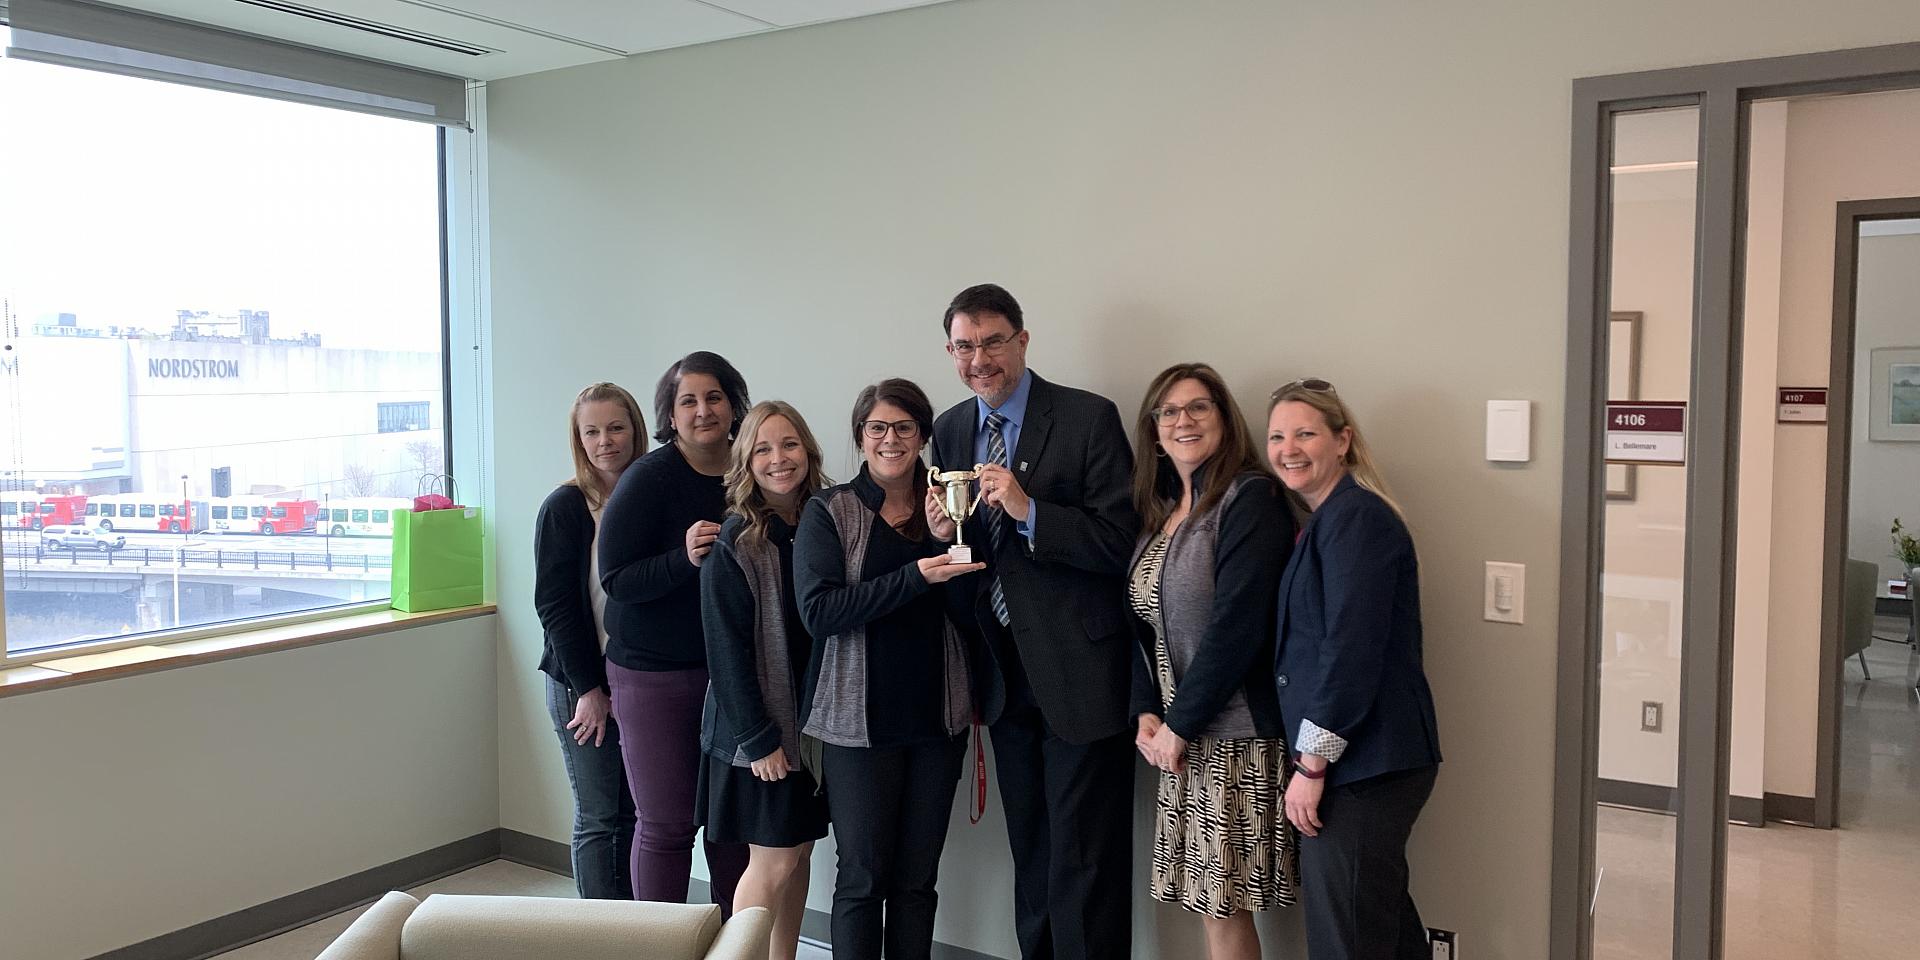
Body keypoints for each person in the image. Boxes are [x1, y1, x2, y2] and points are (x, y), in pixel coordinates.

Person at [928, 283, 1139, 960]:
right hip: (1004, 678)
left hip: (1080, 677)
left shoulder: (1086, 418)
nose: (979, 359)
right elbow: (968, 553)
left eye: (992, 342)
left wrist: (1030, 513)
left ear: (1022, 340)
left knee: (1087, 861)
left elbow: (1120, 542)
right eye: (964, 346)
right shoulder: (953, 426)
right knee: (1033, 851)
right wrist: (941, 537)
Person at [793, 378, 984, 960]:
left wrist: (943, 540)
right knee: (861, 879)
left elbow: (969, 614)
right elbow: (819, 612)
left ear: (923, 434)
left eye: (904, 427)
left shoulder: (953, 504)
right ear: (860, 438)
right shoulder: (830, 511)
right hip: (858, 729)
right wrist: (917, 574)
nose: (891, 439)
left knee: (916, 882)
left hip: (936, 721)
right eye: (877, 428)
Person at [1267, 378, 1443, 960]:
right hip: (1367, 760)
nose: (1288, 448)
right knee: (1382, 926)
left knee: (1347, 938)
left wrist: (1311, 765)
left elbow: (1350, 649)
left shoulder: (1356, 520)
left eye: (1305, 433)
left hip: (1364, 765)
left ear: (1342, 441)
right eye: (1277, 436)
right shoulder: (1328, 520)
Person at [1126, 364, 1297, 959]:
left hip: (1233, 738)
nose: (1183, 421)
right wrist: (1146, 709)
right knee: (1210, 907)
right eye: (1168, 412)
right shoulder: (1165, 512)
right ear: (1153, 432)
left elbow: (1238, 629)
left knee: (1224, 911)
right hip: (1181, 737)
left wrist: (1180, 724)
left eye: (1198, 407)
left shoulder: (1251, 499)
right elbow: (1146, 627)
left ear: (1224, 419)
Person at [598, 351, 752, 912]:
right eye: (688, 400)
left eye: (714, 397)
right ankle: (658, 945)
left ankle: (732, 947)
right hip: (655, 675)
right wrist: (681, 559)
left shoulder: (752, 469)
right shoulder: (648, 477)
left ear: (735, 404)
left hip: (732, 672)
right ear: (671, 413)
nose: (703, 410)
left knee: (730, 827)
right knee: (666, 826)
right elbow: (615, 577)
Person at [698, 400, 833, 960]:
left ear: (809, 450)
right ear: (746, 462)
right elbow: (725, 655)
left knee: (798, 854)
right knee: (772, 860)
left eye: (790, 444)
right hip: (760, 735)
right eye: (763, 449)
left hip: (811, 729)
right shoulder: (736, 543)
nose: (780, 459)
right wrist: (760, 740)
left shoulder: (825, 523)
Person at [533, 381, 646, 899]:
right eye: (592, 431)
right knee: (602, 817)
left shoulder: (651, 495)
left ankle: (633, 934)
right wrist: (589, 690)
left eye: (616, 427)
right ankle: (600, 937)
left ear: (635, 430)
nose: (606, 441)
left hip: (638, 678)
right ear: (579, 440)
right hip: (583, 682)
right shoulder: (566, 506)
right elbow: (554, 606)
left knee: (637, 814)